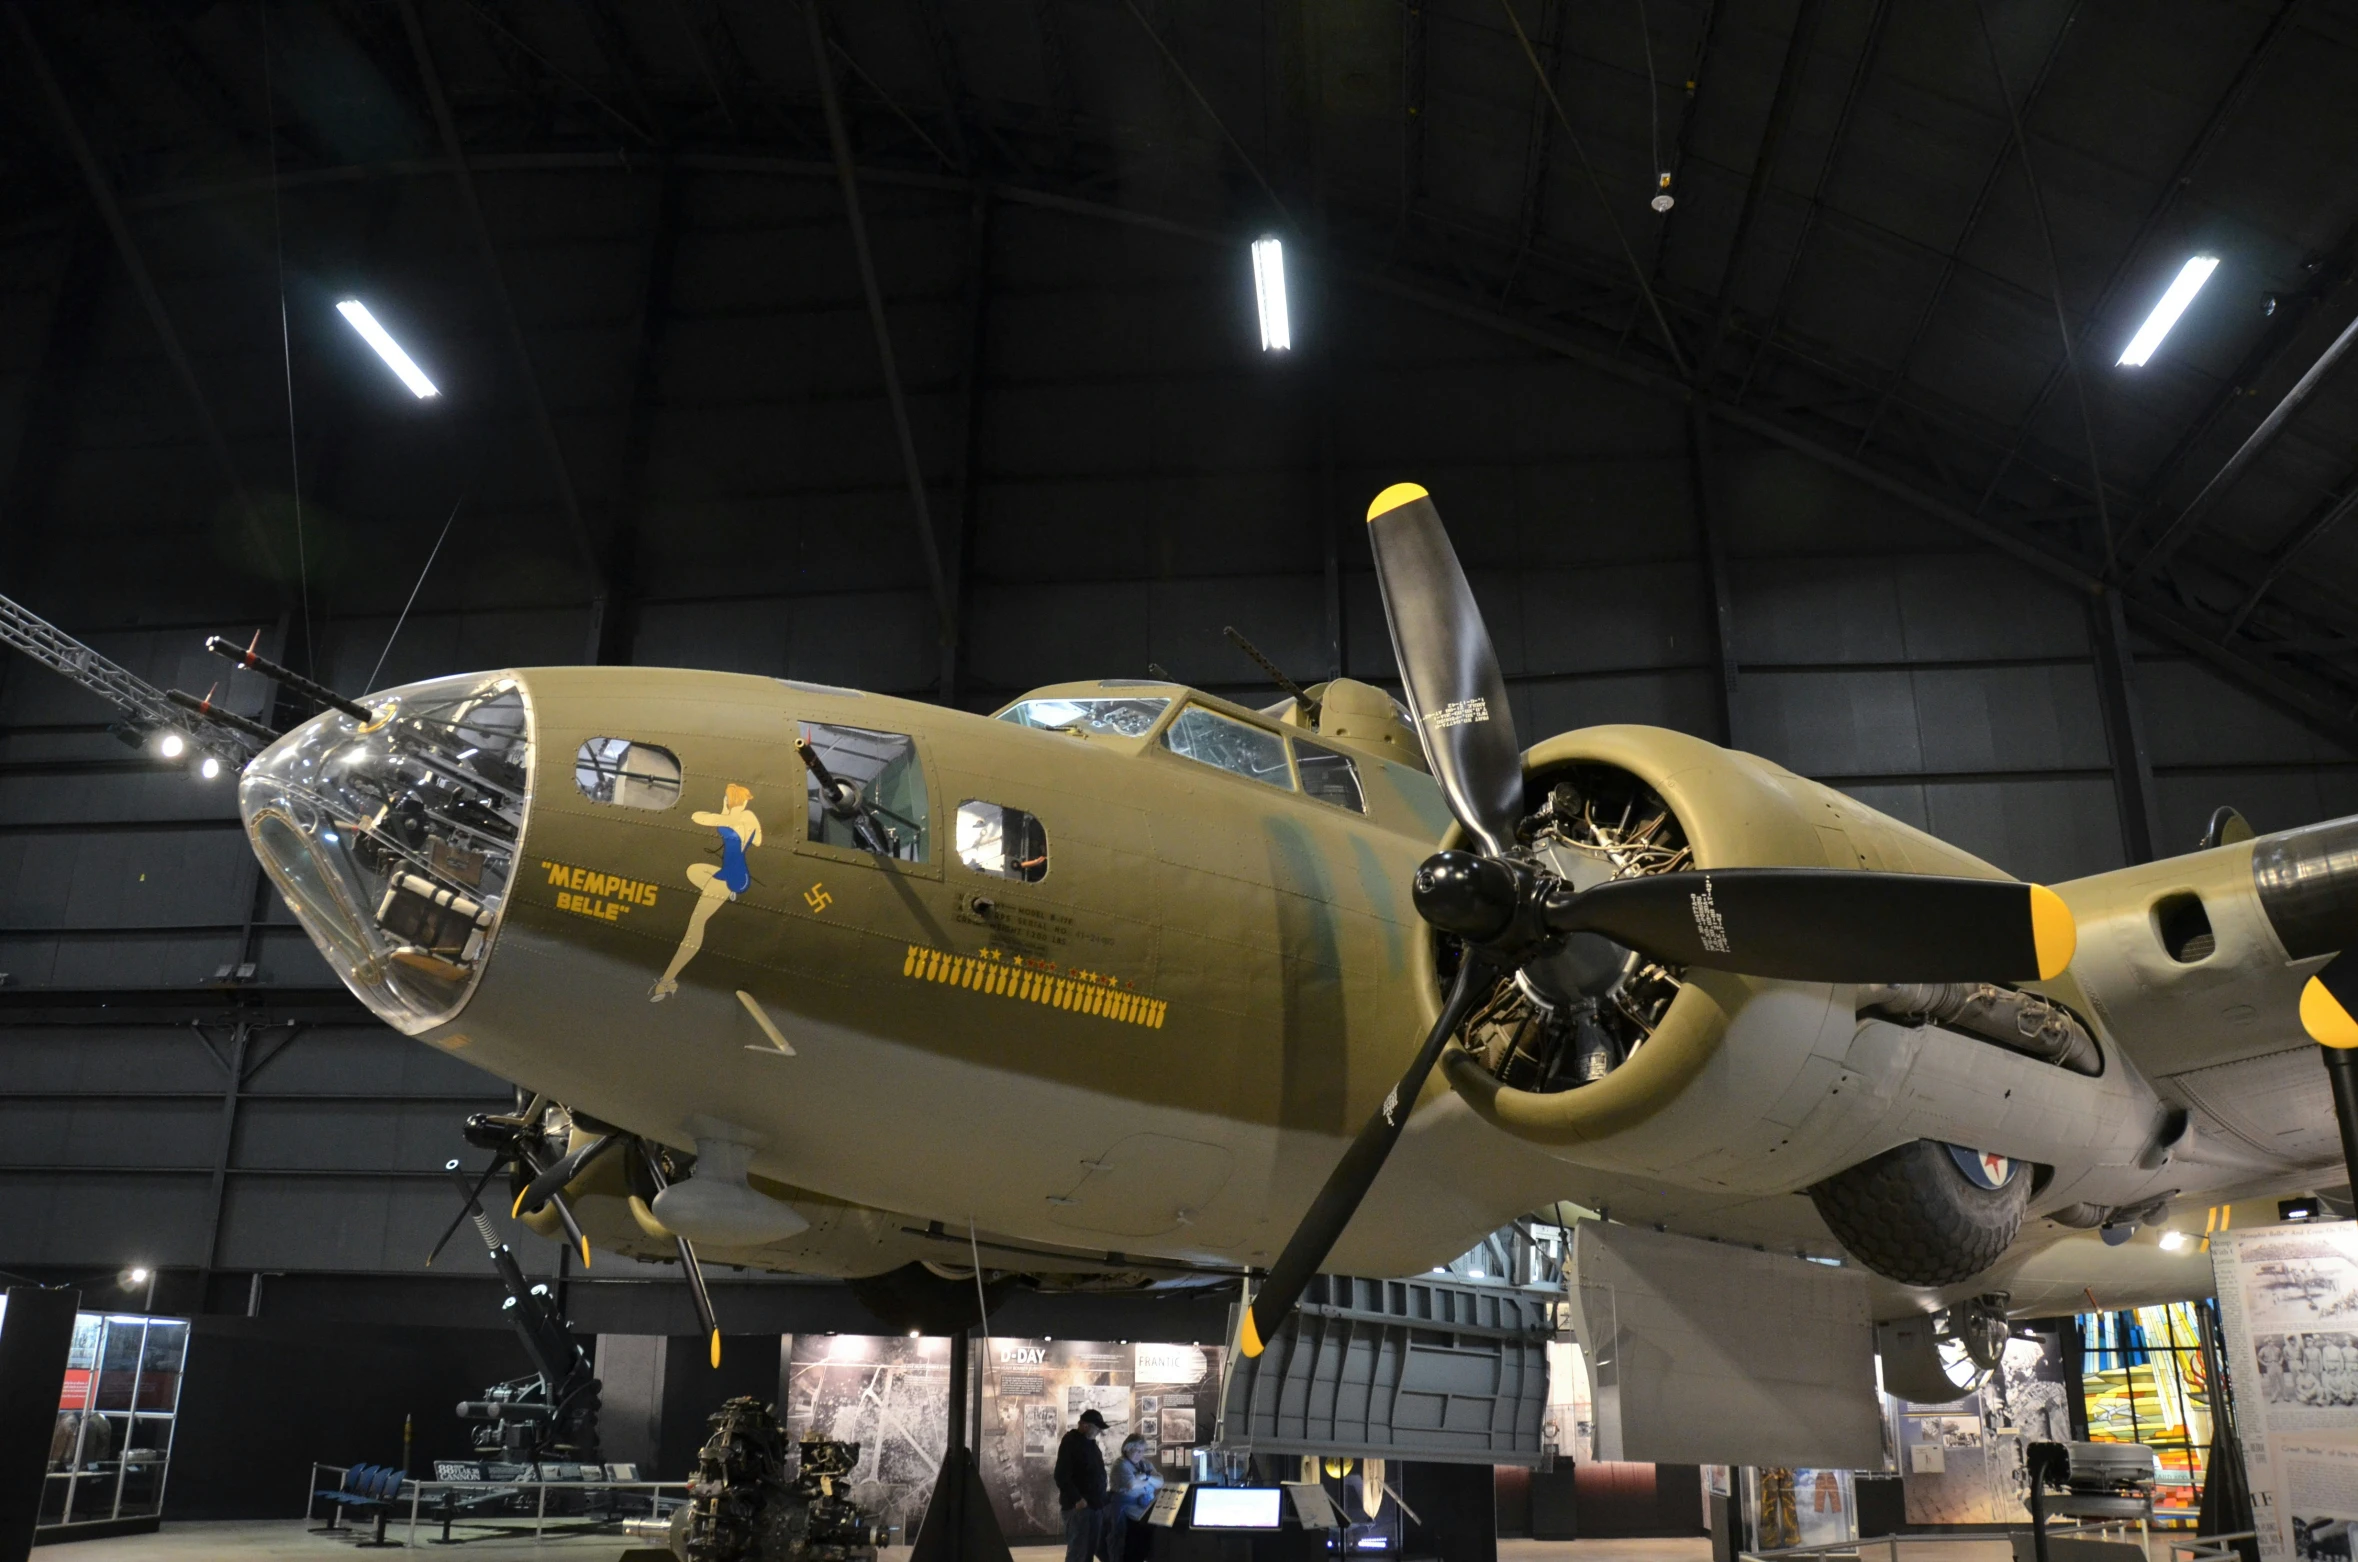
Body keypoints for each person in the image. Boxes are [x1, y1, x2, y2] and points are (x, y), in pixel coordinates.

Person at [650, 783, 761, 1000]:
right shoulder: (747, 818)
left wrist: (724, 812)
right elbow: (757, 841)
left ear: (729, 799)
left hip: (730, 878)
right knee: (694, 871)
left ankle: (667, 980)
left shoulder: (732, 819)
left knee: (696, 925)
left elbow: (698, 817)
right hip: (737, 873)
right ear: (744, 800)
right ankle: (722, 895)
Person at [1054, 1408, 1109, 1562]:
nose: (1098, 1432)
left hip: (1094, 1506)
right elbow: (1061, 1475)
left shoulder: (1091, 1444)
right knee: (1078, 1552)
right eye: (1096, 1428)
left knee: (1088, 1552)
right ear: (1085, 1425)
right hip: (1080, 1508)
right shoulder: (1071, 1442)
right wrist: (1077, 1499)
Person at [1107, 1434, 1161, 1560]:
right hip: (1127, 1514)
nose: (1140, 1454)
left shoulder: (1146, 1464)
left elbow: (1161, 1482)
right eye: (1137, 1450)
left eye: (1142, 1451)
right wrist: (1150, 1480)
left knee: (1143, 1548)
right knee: (1126, 1548)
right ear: (1127, 1449)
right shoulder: (1121, 1465)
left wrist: (1145, 1477)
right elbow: (1132, 1484)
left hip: (1144, 1513)